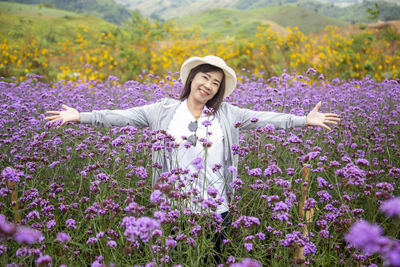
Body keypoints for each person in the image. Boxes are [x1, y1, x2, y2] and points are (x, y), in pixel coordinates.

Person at [45, 55, 340, 262]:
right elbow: (119, 116)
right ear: (192, 79)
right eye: (205, 77)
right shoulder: (162, 110)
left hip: (216, 208)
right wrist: (79, 116)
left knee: (211, 259)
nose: (209, 85)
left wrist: (304, 120)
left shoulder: (228, 114)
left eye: (215, 83)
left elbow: (266, 118)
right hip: (172, 207)